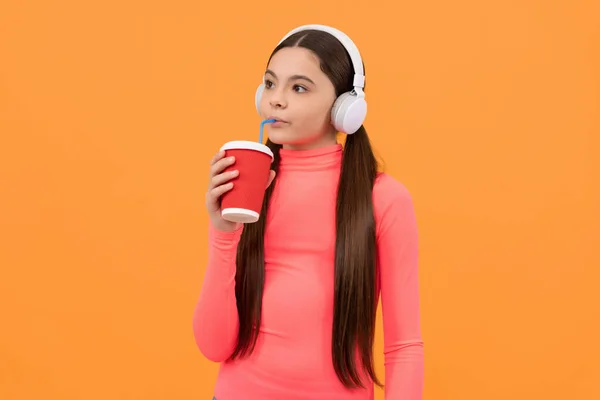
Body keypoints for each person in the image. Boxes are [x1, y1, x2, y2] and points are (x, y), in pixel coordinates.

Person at [193, 24, 424, 400]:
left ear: (344, 107)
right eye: (270, 84)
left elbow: (404, 347)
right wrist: (222, 232)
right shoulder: (248, 186)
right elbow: (213, 347)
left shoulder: (384, 198)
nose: (276, 100)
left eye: (298, 87)